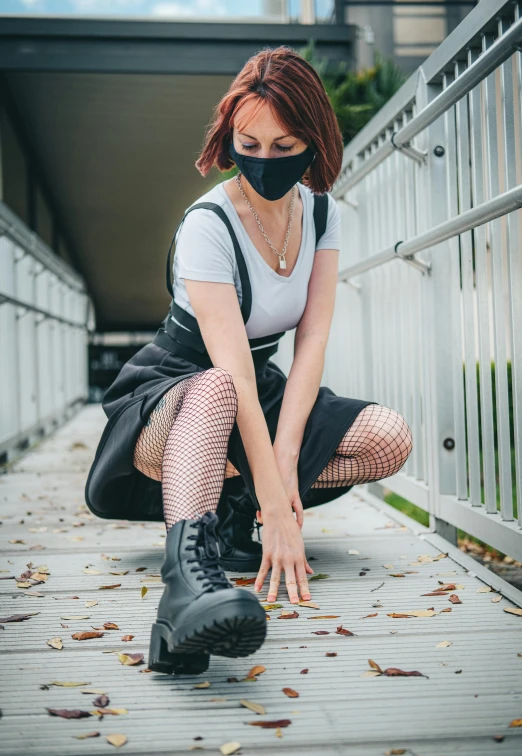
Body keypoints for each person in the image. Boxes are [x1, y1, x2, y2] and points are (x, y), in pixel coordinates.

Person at [85, 46, 413, 675]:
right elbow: (229, 372)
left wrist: (283, 484)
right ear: (229, 135)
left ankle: (237, 519)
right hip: (173, 393)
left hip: (255, 385)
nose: (265, 160)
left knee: (386, 439)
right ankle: (187, 583)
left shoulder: (320, 211)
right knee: (214, 388)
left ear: (314, 140)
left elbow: (311, 339)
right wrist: (275, 495)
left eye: (285, 145)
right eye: (249, 143)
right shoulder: (207, 224)